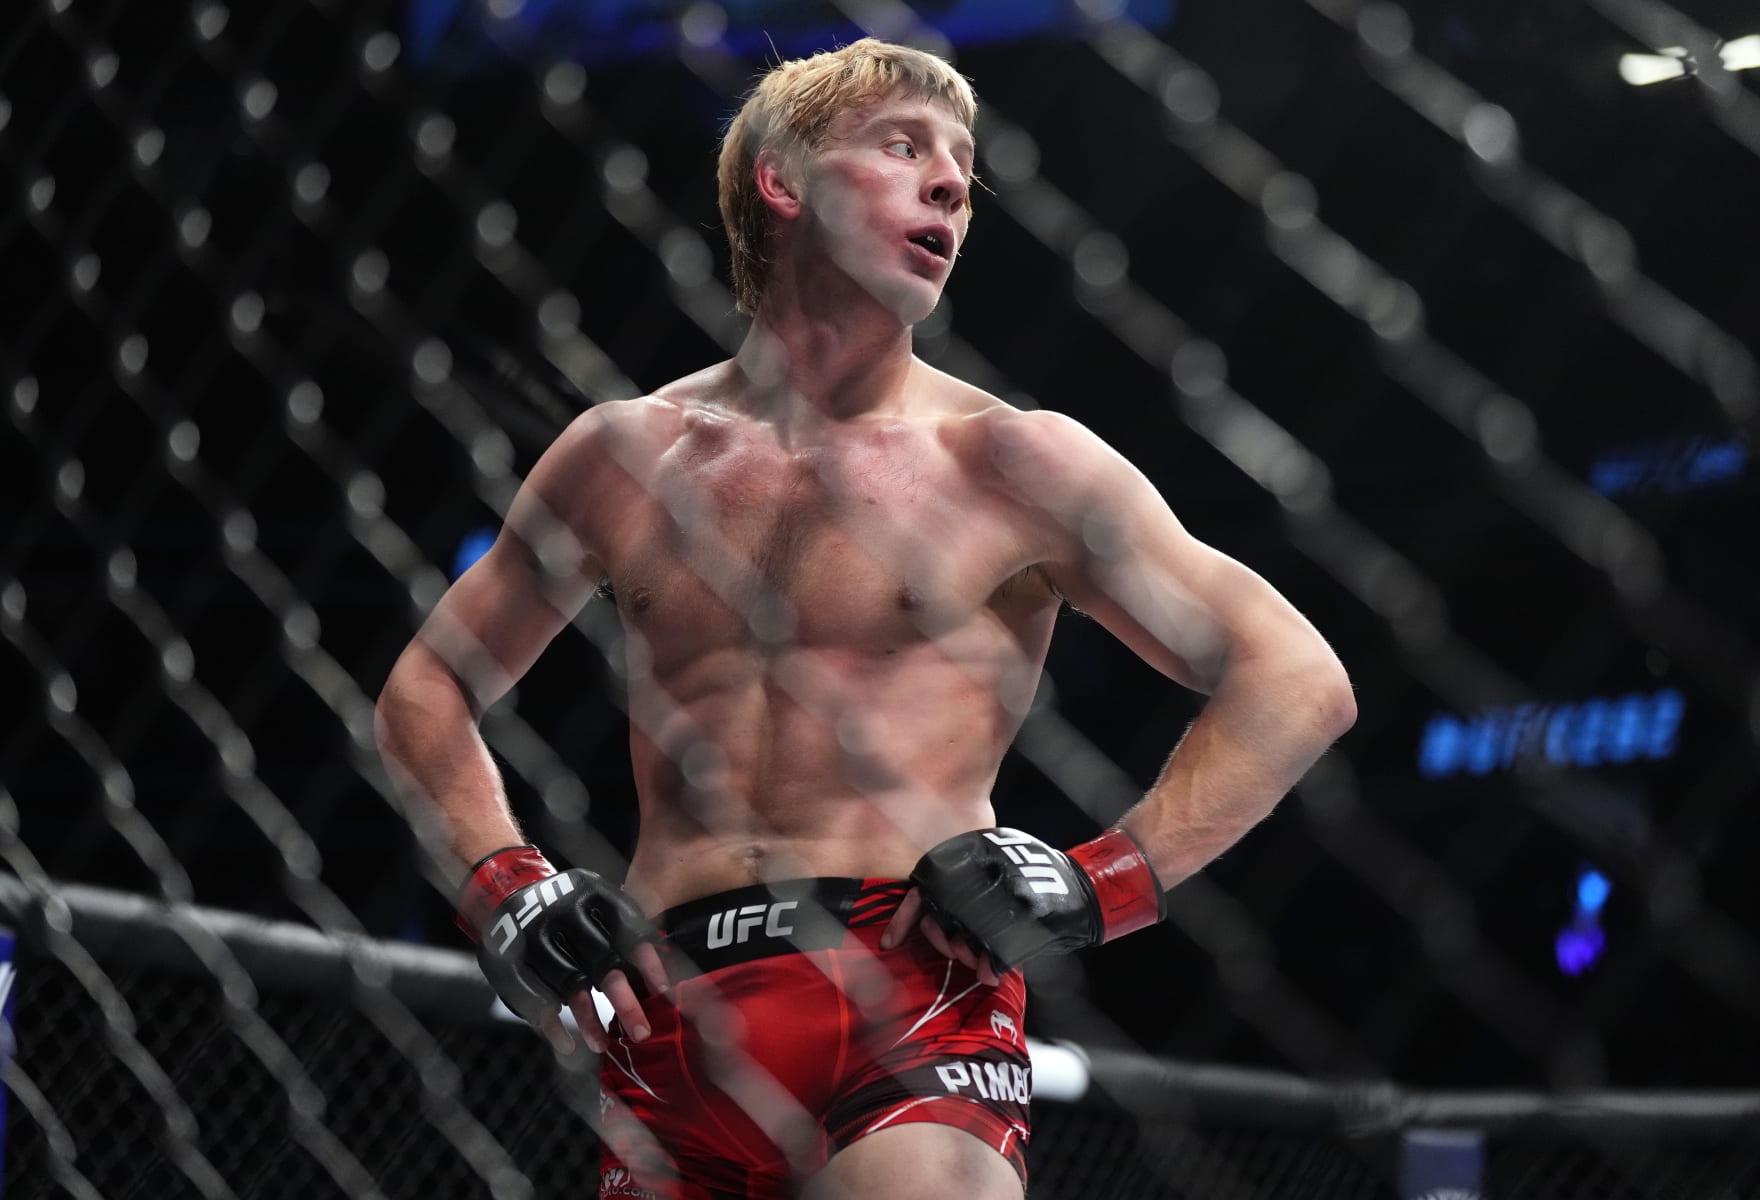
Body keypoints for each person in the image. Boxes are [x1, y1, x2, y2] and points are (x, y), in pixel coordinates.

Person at [374, 37, 1355, 1200]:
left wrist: (1105, 880)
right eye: (905, 147)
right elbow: (425, 689)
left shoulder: (1013, 463)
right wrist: (508, 885)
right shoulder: (624, 457)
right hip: (666, 1019)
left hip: (910, 996)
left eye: (964, 167)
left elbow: (1296, 676)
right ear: (784, 183)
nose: (952, 185)